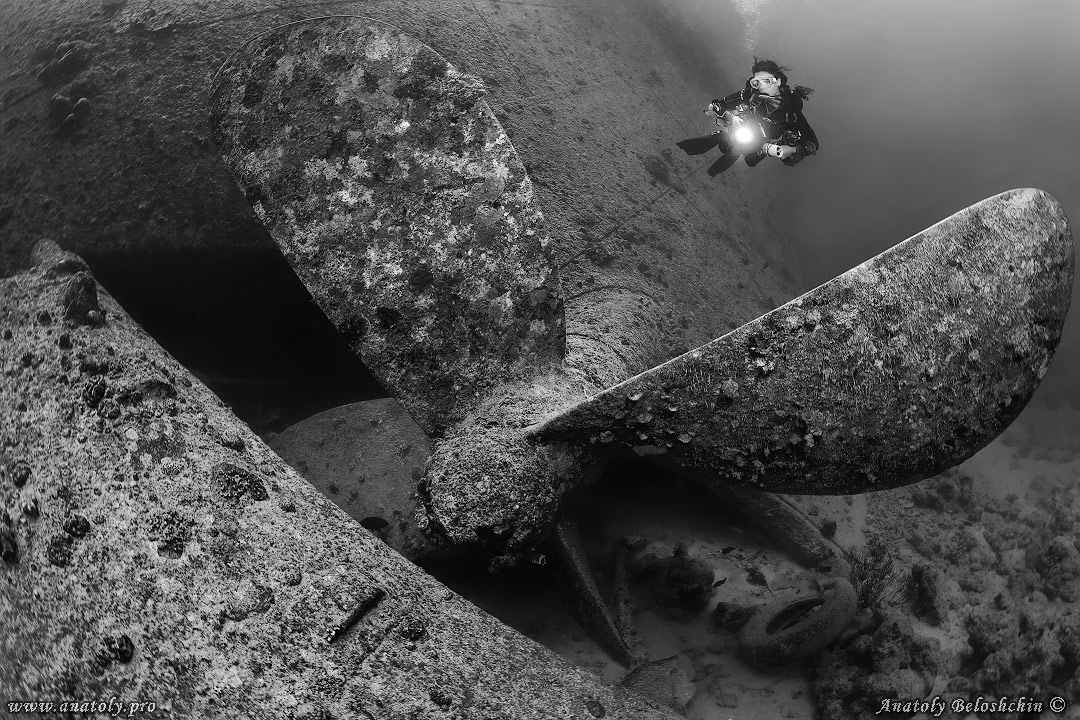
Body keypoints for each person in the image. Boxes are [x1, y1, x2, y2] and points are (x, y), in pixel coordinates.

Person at [678, 58, 819, 177]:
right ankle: (715, 141)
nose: (761, 86)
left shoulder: (791, 113)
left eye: (767, 81)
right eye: (756, 82)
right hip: (742, 129)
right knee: (728, 143)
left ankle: (722, 156)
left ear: (778, 81)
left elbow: (813, 145)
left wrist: (793, 150)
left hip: (761, 143)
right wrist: (728, 116)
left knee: (750, 160)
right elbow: (719, 104)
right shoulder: (749, 95)